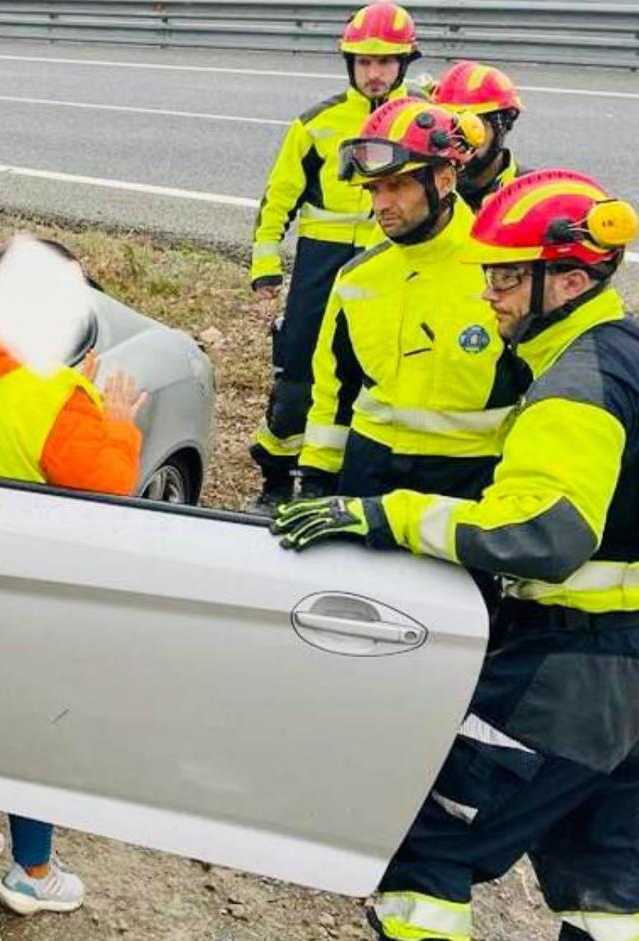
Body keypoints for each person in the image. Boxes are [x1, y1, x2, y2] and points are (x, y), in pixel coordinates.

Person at [271, 169, 639, 941]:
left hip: (573, 667)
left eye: (507, 276)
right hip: (622, 679)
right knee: (604, 882)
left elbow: (543, 534)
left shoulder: (573, 387)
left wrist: (387, 514)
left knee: (427, 849)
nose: (489, 295)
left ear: (569, 278)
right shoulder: (623, 356)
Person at [0, 237, 148, 915]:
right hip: (23, 580)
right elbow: (109, 487)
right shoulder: (55, 392)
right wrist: (118, 423)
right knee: (29, 728)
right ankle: (32, 871)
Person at [297, 97, 525, 509]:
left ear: (443, 178)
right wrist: (316, 476)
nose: (382, 205)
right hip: (369, 469)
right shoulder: (357, 277)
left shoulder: (503, 276)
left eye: (397, 185)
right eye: (373, 189)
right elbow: (333, 386)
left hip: (467, 480)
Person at [247, 1, 423, 514]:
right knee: (299, 373)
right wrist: (265, 269)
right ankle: (276, 477)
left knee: (367, 375)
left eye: (386, 62)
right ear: (350, 64)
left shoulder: (421, 119)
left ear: (403, 64)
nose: (374, 73)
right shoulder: (316, 124)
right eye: (365, 62)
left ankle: (335, 480)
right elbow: (277, 199)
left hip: (389, 267)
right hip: (320, 267)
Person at [432, 60, 527, 211]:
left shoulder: (528, 192)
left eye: (473, 126)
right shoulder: (425, 191)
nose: (457, 141)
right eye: (449, 125)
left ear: (503, 125)